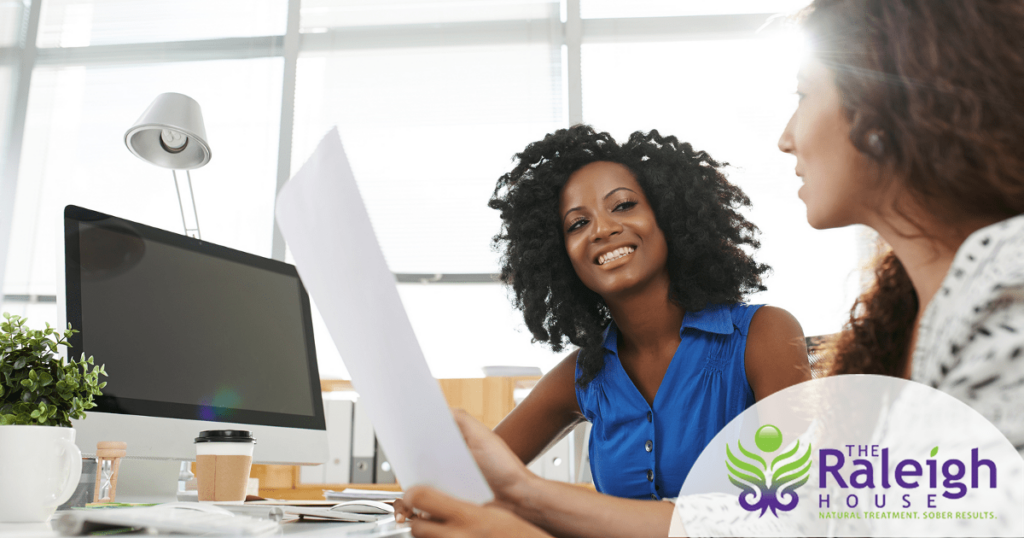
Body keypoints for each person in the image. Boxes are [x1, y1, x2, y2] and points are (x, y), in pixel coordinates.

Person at [399, 0, 1024, 536]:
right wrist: (521, 494)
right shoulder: (914, 322)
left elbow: (785, 519)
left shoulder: (1006, 287)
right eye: (577, 223)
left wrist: (527, 511)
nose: (784, 137)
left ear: (885, 105)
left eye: (803, 95)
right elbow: (797, 524)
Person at [487, 125, 811, 501]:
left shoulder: (763, 335)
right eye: (578, 223)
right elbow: (464, 476)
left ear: (669, 216)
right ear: (561, 256)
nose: (602, 229)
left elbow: (793, 503)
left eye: (623, 205)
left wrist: (554, 507)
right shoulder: (583, 375)